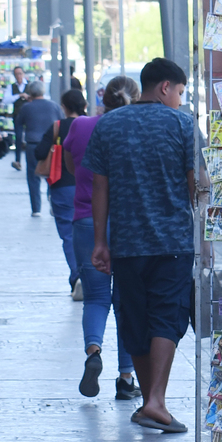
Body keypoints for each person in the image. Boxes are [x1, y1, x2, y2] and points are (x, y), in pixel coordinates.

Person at [85, 58, 195, 433]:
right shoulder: (183, 123)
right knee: (167, 316)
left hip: (127, 243)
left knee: (134, 318)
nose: (180, 99)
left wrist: (101, 241)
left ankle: (150, 402)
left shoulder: (110, 123)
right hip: (174, 241)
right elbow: (195, 183)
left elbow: (100, 186)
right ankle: (156, 402)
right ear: (165, 87)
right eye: (180, 92)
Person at [62, 75, 142, 400]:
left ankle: (93, 351)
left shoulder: (80, 126)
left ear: (102, 98)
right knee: (125, 302)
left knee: (95, 297)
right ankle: (126, 378)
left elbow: (71, 167)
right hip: (126, 223)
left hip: (86, 220)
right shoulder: (136, 129)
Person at [34, 89, 86, 294]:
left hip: (62, 186)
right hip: (87, 186)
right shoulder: (90, 125)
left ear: (64, 107)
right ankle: (90, 275)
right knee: (89, 232)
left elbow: (38, 152)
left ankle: (77, 276)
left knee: (68, 235)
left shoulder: (58, 126)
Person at [13, 81, 63, 216]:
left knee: (33, 176)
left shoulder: (26, 108)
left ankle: (36, 208)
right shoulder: (54, 106)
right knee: (52, 175)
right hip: (51, 147)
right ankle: (54, 204)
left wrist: (17, 156)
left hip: (33, 145)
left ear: (30, 92)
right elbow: (62, 125)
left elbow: (18, 130)